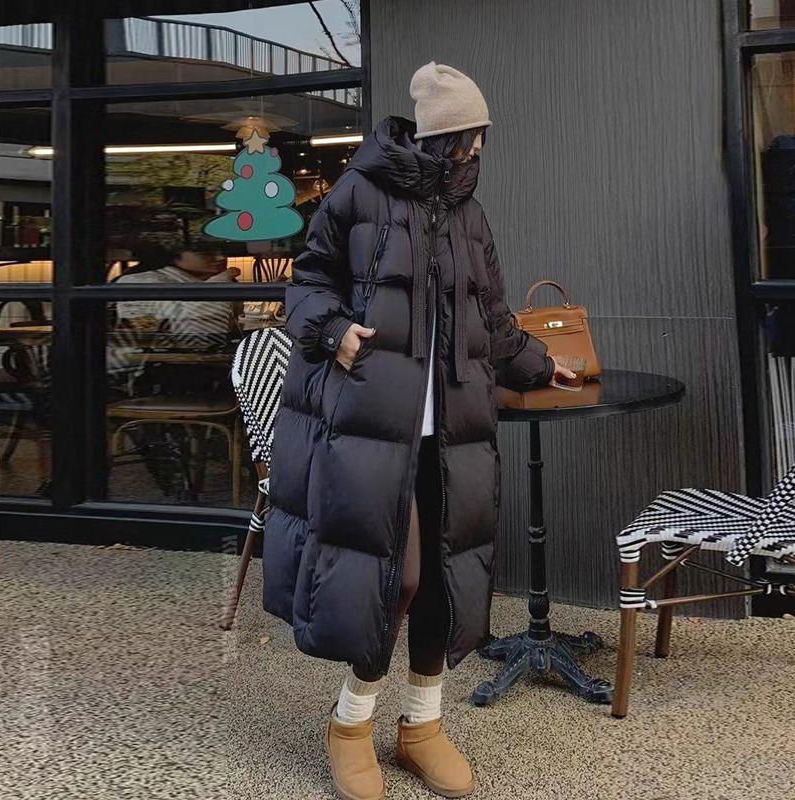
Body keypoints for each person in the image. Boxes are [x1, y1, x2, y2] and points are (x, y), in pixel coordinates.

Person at [265, 62, 576, 800]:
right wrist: (336, 330)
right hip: (374, 421)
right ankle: (348, 725)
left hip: (454, 423)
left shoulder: (467, 210)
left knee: (443, 581)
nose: (477, 150)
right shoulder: (358, 191)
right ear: (447, 136)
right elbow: (307, 283)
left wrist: (539, 363)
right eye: (472, 136)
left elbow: (493, 318)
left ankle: (421, 728)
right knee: (393, 580)